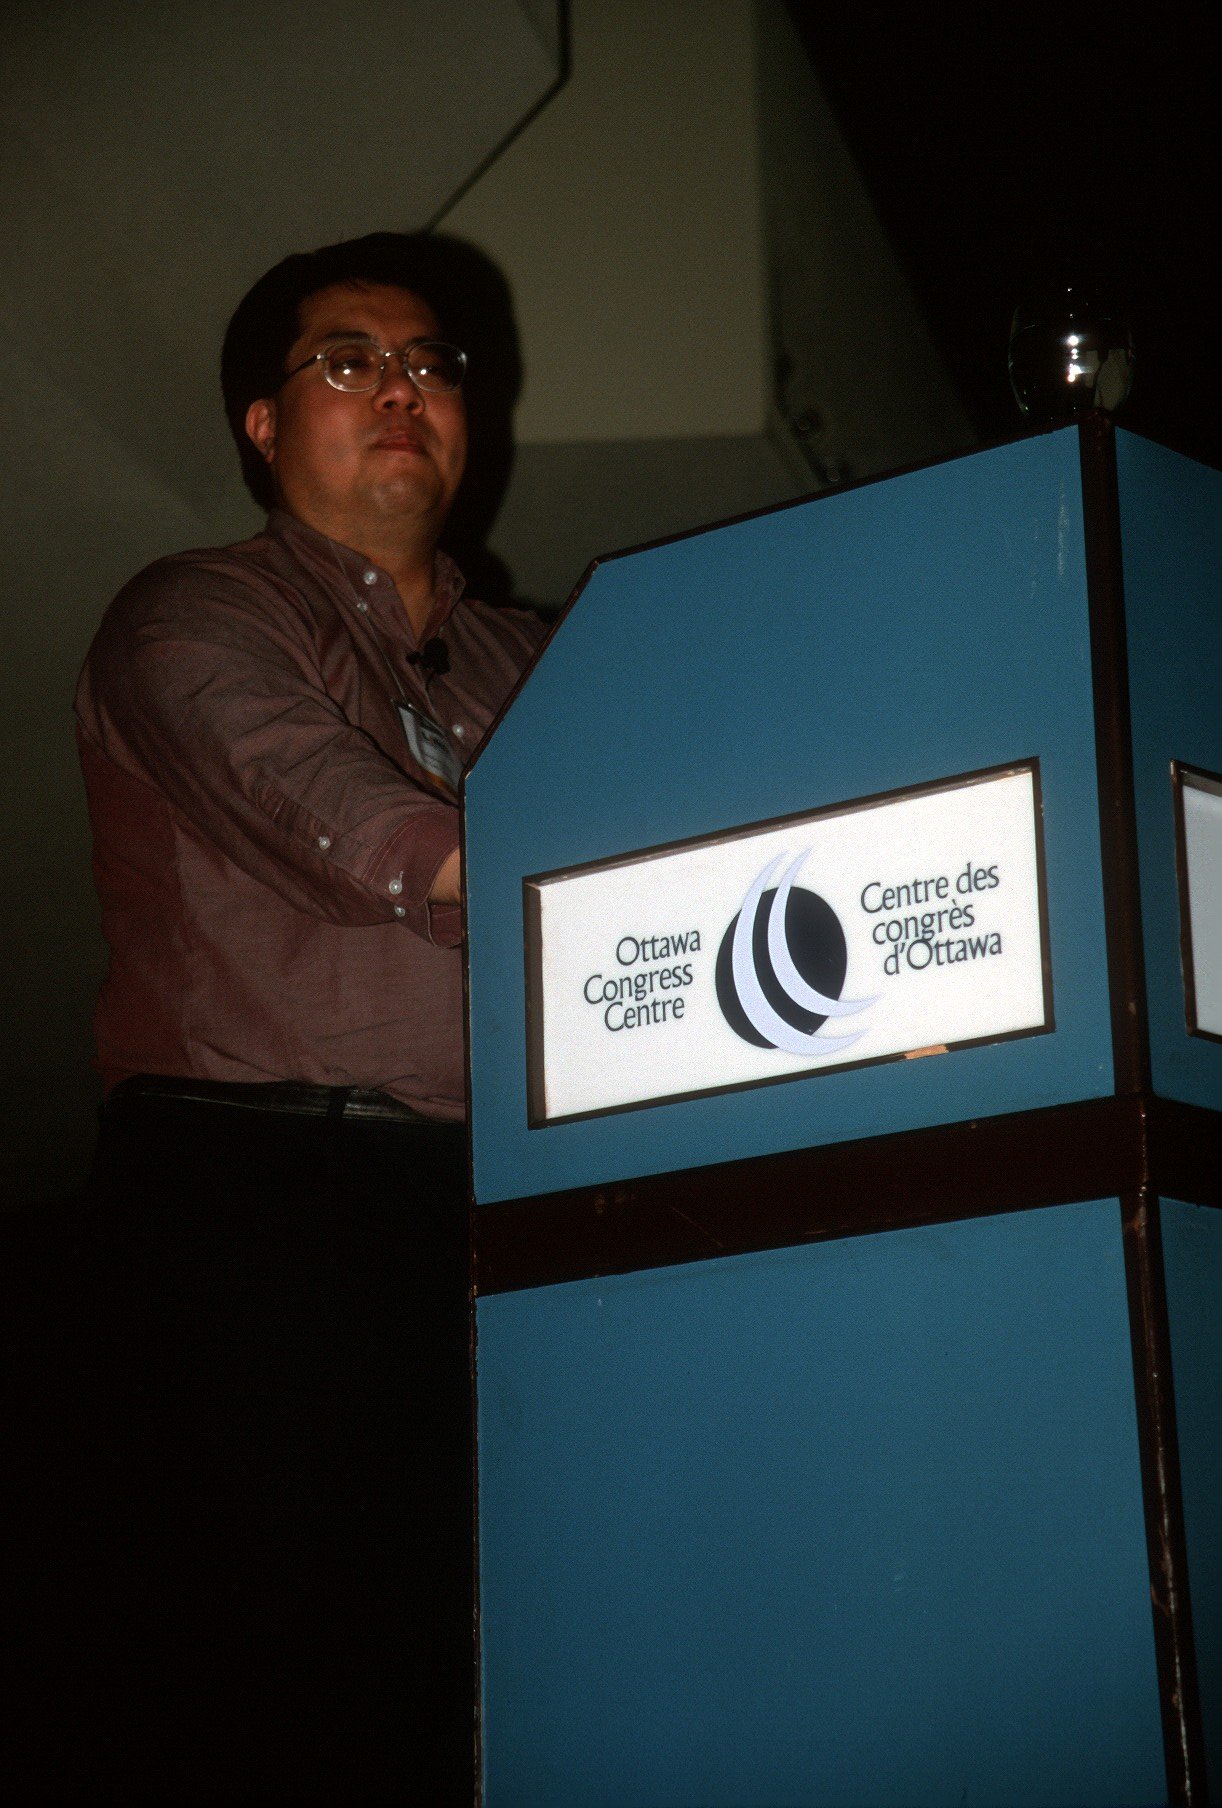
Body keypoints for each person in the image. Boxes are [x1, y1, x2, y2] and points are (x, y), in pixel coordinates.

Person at [62, 233, 545, 1803]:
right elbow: (329, 812)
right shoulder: (188, 613)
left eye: (431, 365)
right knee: (295, 1684)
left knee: (506, 1664)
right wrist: (574, 872)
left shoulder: (541, 658)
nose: (402, 388)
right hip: (262, 1204)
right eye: (349, 360)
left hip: (503, 1207)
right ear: (263, 425)